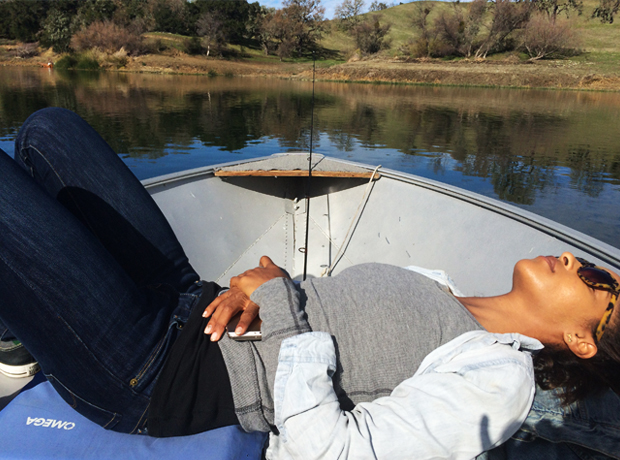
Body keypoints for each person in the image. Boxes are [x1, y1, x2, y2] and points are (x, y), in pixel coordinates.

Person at [0, 108, 618, 458]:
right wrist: (264, 285)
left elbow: (334, 449)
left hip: (158, 373)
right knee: (50, 132)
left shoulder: (497, 378)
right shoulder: (445, 290)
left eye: (594, 280)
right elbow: (330, 316)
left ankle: (24, 338)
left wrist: (274, 294)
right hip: (195, 298)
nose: (572, 257)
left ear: (583, 340)